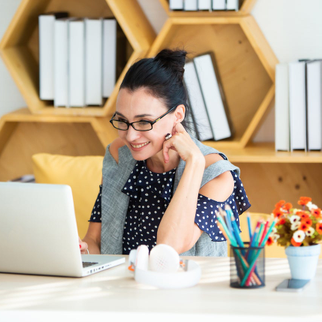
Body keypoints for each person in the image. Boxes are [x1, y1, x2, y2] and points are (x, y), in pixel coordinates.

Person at [79, 49, 251, 256]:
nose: (131, 136)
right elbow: (95, 239)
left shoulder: (216, 174)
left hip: (186, 287)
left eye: (144, 122)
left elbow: (170, 245)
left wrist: (195, 162)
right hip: (123, 285)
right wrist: (82, 250)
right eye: (123, 121)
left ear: (177, 115)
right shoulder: (119, 155)